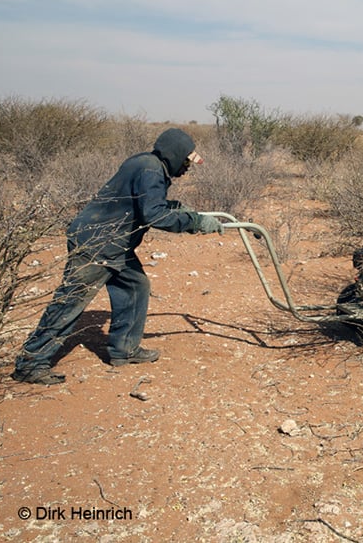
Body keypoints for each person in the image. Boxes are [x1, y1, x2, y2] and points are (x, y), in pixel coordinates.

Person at [12, 128, 224, 385]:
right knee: (70, 302)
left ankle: (125, 350)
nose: (188, 167)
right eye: (187, 161)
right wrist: (196, 222)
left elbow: (143, 203)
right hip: (97, 243)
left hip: (114, 243)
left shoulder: (146, 163)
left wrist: (177, 207)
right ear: (176, 154)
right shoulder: (151, 171)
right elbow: (153, 215)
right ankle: (30, 363)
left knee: (136, 285)